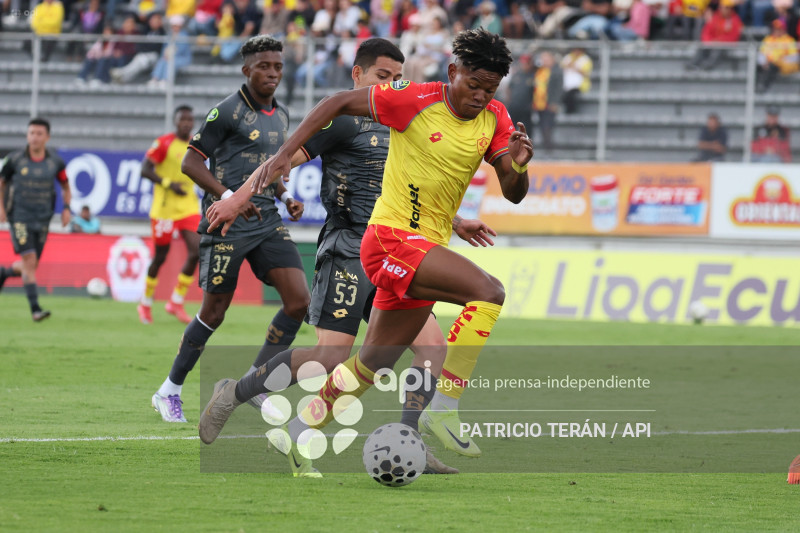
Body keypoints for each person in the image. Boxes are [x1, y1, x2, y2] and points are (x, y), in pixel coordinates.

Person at [198, 29, 532, 476]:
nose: (479, 95)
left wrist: (519, 167)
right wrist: (252, 185)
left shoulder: (492, 117)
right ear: (453, 72)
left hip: (419, 248)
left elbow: (501, 189)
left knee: (378, 362)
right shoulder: (394, 104)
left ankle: (304, 429)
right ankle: (441, 407)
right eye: (473, 84)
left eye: (488, 89)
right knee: (485, 293)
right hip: (364, 244)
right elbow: (322, 118)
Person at [150, 35, 310, 424]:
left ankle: (254, 384)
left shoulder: (283, 115)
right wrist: (228, 197)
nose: (272, 73)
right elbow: (191, 163)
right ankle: (168, 389)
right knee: (215, 312)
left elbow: (269, 166)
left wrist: (284, 194)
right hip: (226, 223)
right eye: (264, 67)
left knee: (299, 302)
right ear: (247, 70)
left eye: (277, 66)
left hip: (267, 219)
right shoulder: (226, 112)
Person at [0, 118, 72, 321]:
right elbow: (1, 182)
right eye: (31, 133)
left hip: (42, 220)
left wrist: (66, 209)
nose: (35, 137)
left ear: (47, 137)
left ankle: (3, 273)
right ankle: (35, 310)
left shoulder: (55, 163)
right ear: (27, 135)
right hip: (20, 219)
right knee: (30, 261)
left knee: (30, 265)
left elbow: (66, 186)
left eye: (39, 134)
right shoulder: (14, 160)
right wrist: (2, 208)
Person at [137, 105, 200, 325]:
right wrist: (168, 184)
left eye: (190, 120)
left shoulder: (196, 144)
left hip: (188, 206)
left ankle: (175, 301)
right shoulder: (163, 143)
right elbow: (145, 169)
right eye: (182, 120)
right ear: (175, 121)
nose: (186, 123)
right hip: (164, 209)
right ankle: (145, 303)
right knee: (160, 256)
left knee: (197, 250)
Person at [685, 0, 742, 71]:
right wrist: (709, 42)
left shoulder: (735, 20)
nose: (725, 10)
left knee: (717, 50)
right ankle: (692, 64)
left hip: (725, 46)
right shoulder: (715, 17)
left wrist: (720, 40)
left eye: (727, 8)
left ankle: (706, 66)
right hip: (713, 43)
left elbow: (734, 36)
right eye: (723, 7)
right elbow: (706, 31)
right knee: (702, 48)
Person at [756, 19, 799, 93]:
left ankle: (763, 87)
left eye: (779, 29)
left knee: (773, 66)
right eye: (775, 29)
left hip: (784, 65)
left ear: (783, 29)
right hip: (769, 64)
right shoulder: (768, 39)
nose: (776, 31)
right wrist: (763, 63)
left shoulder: (789, 40)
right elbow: (761, 54)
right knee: (757, 67)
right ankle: (754, 86)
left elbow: (794, 57)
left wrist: (779, 60)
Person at [533, 50, 561, 153]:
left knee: (547, 126)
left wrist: (555, 102)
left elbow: (558, 88)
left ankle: (549, 148)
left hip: (549, 104)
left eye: (546, 59)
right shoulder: (540, 70)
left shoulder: (556, 71)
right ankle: (546, 147)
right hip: (539, 103)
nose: (544, 61)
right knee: (541, 125)